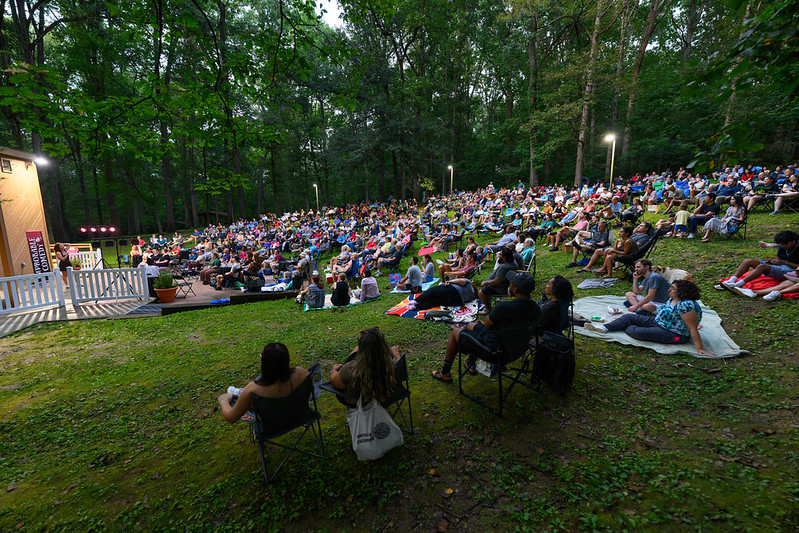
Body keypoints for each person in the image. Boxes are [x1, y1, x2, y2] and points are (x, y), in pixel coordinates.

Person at [431, 272, 541, 382]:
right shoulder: (537, 309)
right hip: (516, 348)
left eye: (511, 283)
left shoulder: (505, 307)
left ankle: (445, 372)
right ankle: (470, 363)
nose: (509, 285)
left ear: (515, 290)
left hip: (494, 351)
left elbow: (488, 324)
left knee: (455, 331)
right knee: (470, 324)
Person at [586, 280, 716, 356]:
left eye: (673, 288)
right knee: (628, 317)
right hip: (658, 322)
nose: (669, 289)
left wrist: (700, 348)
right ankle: (603, 328)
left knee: (633, 330)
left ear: (682, 292)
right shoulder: (673, 298)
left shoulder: (686, 305)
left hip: (674, 334)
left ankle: (624, 328)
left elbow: (693, 328)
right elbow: (665, 312)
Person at [217, 343, 309, 423]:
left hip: (273, 426)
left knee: (258, 383)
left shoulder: (253, 390)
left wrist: (224, 401)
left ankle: (240, 392)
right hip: (298, 415)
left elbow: (231, 417)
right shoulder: (301, 373)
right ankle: (239, 392)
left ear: (264, 363)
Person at [329, 327, 400, 406]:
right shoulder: (388, 363)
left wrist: (334, 370)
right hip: (382, 399)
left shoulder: (351, 368)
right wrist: (396, 353)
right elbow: (401, 367)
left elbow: (336, 383)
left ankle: (366, 346)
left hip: (357, 403)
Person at [720, 231, 799, 294]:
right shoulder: (783, 247)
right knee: (748, 261)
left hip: (792, 271)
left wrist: (785, 263)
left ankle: (738, 285)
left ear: (793, 242)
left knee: (762, 267)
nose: (782, 246)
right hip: (781, 266)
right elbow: (778, 259)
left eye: (784, 244)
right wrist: (773, 262)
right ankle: (730, 281)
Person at [477, 247, 516, 312]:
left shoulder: (504, 267)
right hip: (504, 285)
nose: (498, 255)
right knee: (485, 290)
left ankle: (488, 309)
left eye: (500, 254)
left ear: (504, 257)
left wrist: (486, 282)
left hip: (500, 288)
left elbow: (497, 281)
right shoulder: (512, 262)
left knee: (481, 292)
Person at [408, 277, 477, 310]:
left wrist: (450, 282)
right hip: (457, 301)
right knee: (434, 301)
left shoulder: (469, 283)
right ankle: (415, 307)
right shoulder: (472, 297)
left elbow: (461, 281)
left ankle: (415, 301)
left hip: (453, 290)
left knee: (432, 291)